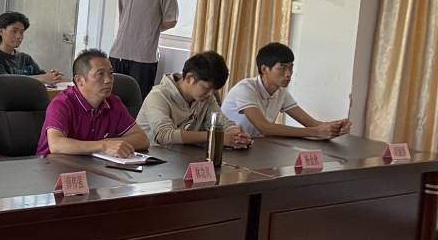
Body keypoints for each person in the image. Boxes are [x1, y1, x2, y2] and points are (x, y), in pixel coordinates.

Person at [222, 42, 353, 139]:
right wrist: (317, 132)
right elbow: (265, 128)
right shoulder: (245, 89)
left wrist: (334, 127)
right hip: (229, 147)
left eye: (291, 67)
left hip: (255, 147)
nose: (288, 74)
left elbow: (311, 123)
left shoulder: (281, 93)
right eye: (282, 68)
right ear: (264, 69)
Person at [36, 49, 150, 157]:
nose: (108, 80)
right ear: (79, 80)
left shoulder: (113, 102)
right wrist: (103, 146)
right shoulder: (62, 104)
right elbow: (56, 145)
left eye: (110, 73)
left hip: (92, 165)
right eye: (100, 74)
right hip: (51, 166)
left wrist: (110, 144)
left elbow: (142, 139)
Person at [109, 0, 179, 100]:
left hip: (144, 56)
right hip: (118, 52)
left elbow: (171, 20)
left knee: (139, 100)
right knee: (111, 99)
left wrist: (148, 28)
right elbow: (123, 14)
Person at [137, 51, 252, 149]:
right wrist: (213, 136)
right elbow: (164, 135)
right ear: (189, 78)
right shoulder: (158, 96)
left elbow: (222, 123)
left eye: (214, 90)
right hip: (153, 160)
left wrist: (236, 134)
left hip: (183, 159)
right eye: (207, 87)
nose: (211, 94)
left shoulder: (206, 98)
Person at [0, 12, 64, 83]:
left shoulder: (26, 58)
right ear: (1, 32)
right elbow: (5, 83)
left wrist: (53, 76)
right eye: (14, 31)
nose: (19, 36)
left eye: (21, 32)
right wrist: (41, 78)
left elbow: (43, 76)